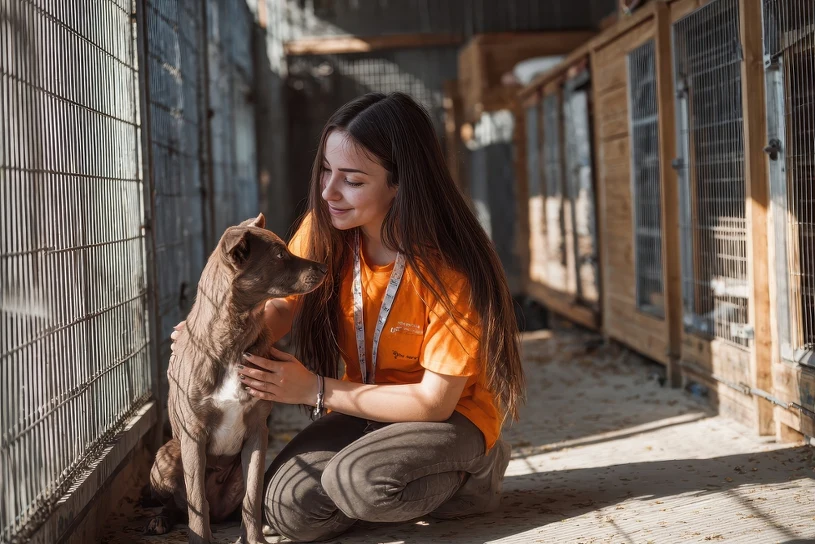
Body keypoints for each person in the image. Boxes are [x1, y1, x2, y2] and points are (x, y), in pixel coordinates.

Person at [172, 91, 525, 542]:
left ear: (400, 183)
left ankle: (475, 475)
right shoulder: (327, 228)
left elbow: (434, 403)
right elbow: (280, 305)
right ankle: (371, 481)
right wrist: (215, 335)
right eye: (326, 170)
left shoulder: (450, 268)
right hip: (366, 406)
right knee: (284, 508)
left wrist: (312, 389)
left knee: (359, 482)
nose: (328, 192)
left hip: (447, 417)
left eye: (352, 180)